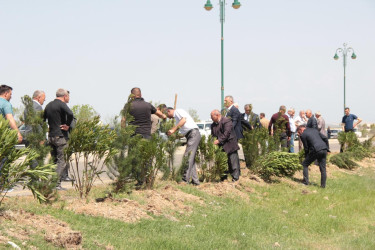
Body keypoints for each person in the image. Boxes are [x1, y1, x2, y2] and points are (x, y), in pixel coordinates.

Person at [44, 89, 74, 190]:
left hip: (51, 136)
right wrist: (67, 125)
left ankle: (50, 183)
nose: (69, 98)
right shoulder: (61, 104)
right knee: (62, 161)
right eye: (68, 96)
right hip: (61, 137)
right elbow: (70, 114)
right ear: (65, 96)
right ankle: (56, 185)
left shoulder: (48, 105)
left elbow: (43, 119)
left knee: (54, 161)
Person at [167, 107, 200, 185]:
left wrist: (173, 129)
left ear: (168, 111)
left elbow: (183, 120)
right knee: (191, 159)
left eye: (167, 115)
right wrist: (174, 136)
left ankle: (185, 180)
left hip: (193, 134)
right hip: (191, 134)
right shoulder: (177, 118)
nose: (168, 117)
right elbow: (183, 132)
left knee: (187, 157)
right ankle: (195, 181)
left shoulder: (178, 111)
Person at [210, 109, 240, 182]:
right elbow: (213, 135)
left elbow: (227, 133)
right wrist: (212, 142)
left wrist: (219, 140)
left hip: (230, 145)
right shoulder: (213, 125)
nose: (211, 118)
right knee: (222, 163)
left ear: (217, 115)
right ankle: (223, 179)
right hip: (221, 147)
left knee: (233, 163)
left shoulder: (226, 121)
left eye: (211, 116)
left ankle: (235, 179)